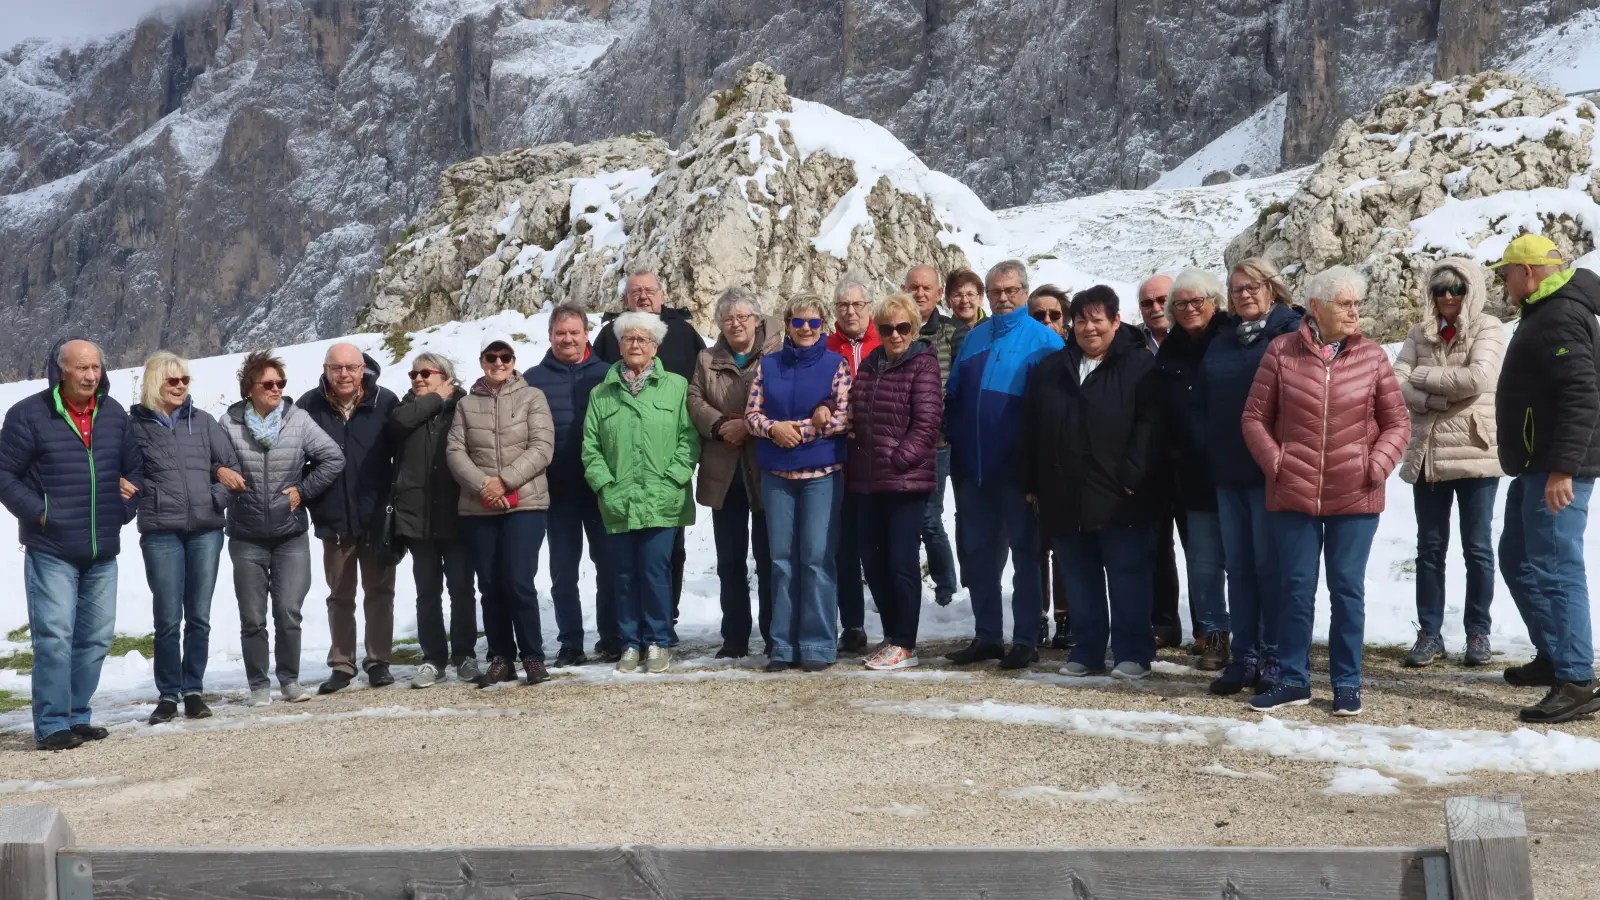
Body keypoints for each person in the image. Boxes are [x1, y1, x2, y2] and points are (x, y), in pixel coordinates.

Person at [1242, 266, 1409, 716]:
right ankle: (1293, 681)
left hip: (1355, 495)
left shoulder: (1373, 357)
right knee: (1295, 590)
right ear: (1316, 307)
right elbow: (1254, 418)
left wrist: (1375, 465)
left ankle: (1347, 683)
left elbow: (1397, 423)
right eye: (1345, 304)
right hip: (1293, 492)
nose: (1355, 312)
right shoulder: (1281, 352)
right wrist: (1277, 463)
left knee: (1347, 590)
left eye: (1357, 304)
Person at [0, 338, 143, 750]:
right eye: (82, 368)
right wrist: (43, 513)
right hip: (52, 549)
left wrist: (123, 508)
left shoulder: (113, 414)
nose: (91, 376)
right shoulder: (29, 414)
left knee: (96, 638)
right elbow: (5, 475)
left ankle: (77, 715)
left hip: (102, 550)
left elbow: (136, 471)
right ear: (61, 371)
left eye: (96, 367)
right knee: (54, 638)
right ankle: (51, 723)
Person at [1023, 287, 1162, 679]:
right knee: (1079, 576)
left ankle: (1133, 652)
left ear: (1116, 321)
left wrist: (1133, 475)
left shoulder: (1139, 364)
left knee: (1127, 574)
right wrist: (1032, 480)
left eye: (1097, 320)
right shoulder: (1052, 368)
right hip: (1065, 492)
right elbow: (1032, 427)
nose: (1089, 328)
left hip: (1121, 494)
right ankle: (1087, 650)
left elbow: (1151, 424)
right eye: (1081, 320)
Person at [1490, 234, 1600, 723]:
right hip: (1537, 466)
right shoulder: (1545, 311)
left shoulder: (1559, 316)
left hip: (1556, 470)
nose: (1504, 281)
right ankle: (1555, 654)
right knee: (1517, 558)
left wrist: (1563, 469)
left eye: (1506, 273)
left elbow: (1582, 395)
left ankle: (1575, 680)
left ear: (1527, 272)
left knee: (1556, 569)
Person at [945, 259, 1064, 669]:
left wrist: (1040, 469)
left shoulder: (1045, 342)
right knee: (979, 555)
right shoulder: (974, 338)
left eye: (1011, 290)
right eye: (996, 291)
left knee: (1026, 555)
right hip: (973, 470)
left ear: (1025, 293)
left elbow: (1055, 412)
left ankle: (1026, 638)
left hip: (1018, 472)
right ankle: (987, 636)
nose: (1003, 298)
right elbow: (954, 394)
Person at [1392, 257, 1505, 669]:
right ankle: (1429, 633)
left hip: (1476, 451)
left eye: (1456, 289)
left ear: (1470, 291)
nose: (1447, 297)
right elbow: (1395, 380)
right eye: (1439, 289)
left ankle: (1478, 632)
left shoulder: (1489, 328)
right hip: (1429, 454)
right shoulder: (1418, 332)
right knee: (1430, 548)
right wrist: (1436, 399)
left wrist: (1421, 380)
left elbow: (1477, 379)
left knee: (1477, 549)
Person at [221, 351, 345, 707]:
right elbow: (212, 462)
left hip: (290, 535)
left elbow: (333, 458)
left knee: (289, 611)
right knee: (252, 617)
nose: (276, 389)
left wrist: (302, 491)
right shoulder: (228, 424)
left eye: (281, 383)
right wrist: (221, 474)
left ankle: (290, 681)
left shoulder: (297, 419)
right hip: (246, 536)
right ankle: (259, 686)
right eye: (268, 384)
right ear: (250, 389)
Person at [1201, 256, 1302, 696]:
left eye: (1252, 286)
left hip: (1271, 471)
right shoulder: (1222, 338)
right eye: (1236, 288)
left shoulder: (1292, 333)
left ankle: (1275, 655)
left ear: (1272, 289)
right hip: (1228, 469)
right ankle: (1243, 655)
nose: (1243, 295)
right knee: (1238, 567)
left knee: (1269, 566)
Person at [582, 312, 700, 674]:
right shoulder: (601, 393)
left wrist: (673, 479)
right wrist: (605, 485)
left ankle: (658, 640)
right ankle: (630, 642)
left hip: (663, 498)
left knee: (655, 571)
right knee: (621, 574)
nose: (636, 345)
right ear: (619, 345)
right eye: (629, 338)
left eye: (643, 339)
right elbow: (590, 447)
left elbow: (689, 439)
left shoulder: (676, 387)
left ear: (655, 347)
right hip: (618, 499)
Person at [130, 352, 240, 723]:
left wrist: (215, 497)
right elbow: (123, 471)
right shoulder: (134, 427)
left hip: (206, 531)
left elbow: (231, 467)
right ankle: (167, 695)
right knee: (166, 618)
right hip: (161, 532)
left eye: (184, 380)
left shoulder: (204, 422)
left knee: (198, 616)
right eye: (172, 380)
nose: (180, 386)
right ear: (154, 383)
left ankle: (193, 690)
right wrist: (144, 494)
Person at [746, 294, 852, 672]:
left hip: (821, 476)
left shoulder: (836, 364)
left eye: (813, 322)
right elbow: (751, 414)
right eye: (798, 322)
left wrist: (800, 431)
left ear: (823, 326)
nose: (806, 328)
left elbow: (844, 416)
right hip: (777, 476)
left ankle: (817, 645)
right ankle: (783, 645)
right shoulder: (768, 366)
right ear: (788, 325)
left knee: (816, 559)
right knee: (781, 561)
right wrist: (774, 429)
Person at [447, 335, 556, 687]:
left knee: (518, 581)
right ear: (482, 361)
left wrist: (505, 481)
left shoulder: (532, 397)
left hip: (526, 503)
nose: (498, 363)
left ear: (513, 361)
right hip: (479, 507)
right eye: (491, 357)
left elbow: (542, 447)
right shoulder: (466, 404)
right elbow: (455, 452)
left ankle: (533, 656)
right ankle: (501, 657)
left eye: (505, 357)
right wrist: (484, 486)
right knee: (490, 584)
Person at [849, 293, 943, 670]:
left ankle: (905, 643)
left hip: (905, 480)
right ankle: (892, 637)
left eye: (903, 327)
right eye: (887, 328)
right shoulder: (871, 363)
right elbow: (857, 410)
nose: (895, 335)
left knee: (901, 560)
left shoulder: (923, 364)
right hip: (869, 480)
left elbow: (928, 423)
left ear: (914, 329)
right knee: (872, 559)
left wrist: (897, 459)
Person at [301, 343, 401, 694]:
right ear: (325, 370)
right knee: (339, 595)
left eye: (350, 367)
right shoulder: (309, 406)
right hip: (334, 518)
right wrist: (313, 500)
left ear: (362, 370)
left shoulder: (385, 402)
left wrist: (393, 504)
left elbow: (401, 456)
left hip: (377, 518)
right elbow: (297, 460)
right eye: (336, 368)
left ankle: (378, 661)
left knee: (380, 592)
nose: (343, 374)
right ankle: (342, 665)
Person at [689, 287, 782, 659]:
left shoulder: (777, 351)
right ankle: (735, 636)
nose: (736, 324)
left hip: (766, 468)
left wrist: (749, 424)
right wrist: (718, 425)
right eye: (728, 319)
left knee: (769, 557)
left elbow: (786, 397)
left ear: (757, 320)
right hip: (724, 472)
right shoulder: (707, 358)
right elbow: (694, 398)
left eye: (743, 317)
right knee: (730, 561)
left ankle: (774, 633)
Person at [524, 304, 612, 666]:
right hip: (556, 489)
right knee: (563, 571)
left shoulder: (608, 374)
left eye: (575, 332)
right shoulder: (532, 379)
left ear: (587, 334)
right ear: (550, 336)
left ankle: (611, 637)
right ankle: (571, 642)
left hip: (600, 487)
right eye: (560, 333)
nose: (568, 339)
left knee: (608, 566)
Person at [1153, 271, 1231, 671]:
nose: (1188, 310)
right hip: (1193, 474)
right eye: (1180, 304)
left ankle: (1252, 639)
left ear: (1215, 302)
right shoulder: (1169, 351)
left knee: (1245, 562)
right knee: (1203, 563)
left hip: (1238, 470)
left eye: (1197, 301)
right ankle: (1214, 637)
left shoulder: (1233, 339)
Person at [387, 352, 478, 688]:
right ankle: (433, 659)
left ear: (446, 376)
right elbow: (396, 427)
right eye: (413, 374)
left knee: (461, 589)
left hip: (457, 512)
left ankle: (465, 655)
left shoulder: (464, 406)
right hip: (417, 515)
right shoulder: (405, 409)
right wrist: (435, 399)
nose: (417, 379)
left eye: (425, 373)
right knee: (427, 592)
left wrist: (445, 400)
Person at [825, 273, 881, 654]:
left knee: (877, 547)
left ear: (869, 308)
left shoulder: (886, 340)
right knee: (844, 548)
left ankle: (893, 623)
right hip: (838, 460)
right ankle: (853, 625)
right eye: (843, 305)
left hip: (878, 462)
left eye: (857, 305)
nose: (850, 312)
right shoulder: (825, 347)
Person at [904, 265, 963, 608]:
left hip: (937, 442)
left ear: (939, 294)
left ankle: (945, 589)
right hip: (899, 441)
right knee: (902, 517)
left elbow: (960, 387)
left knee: (928, 517)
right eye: (914, 287)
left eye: (927, 288)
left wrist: (944, 430)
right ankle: (906, 585)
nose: (920, 293)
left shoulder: (952, 332)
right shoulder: (895, 328)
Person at [1027, 284, 1072, 648]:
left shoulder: (1076, 355)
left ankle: (1067, 615)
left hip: (1070, 465)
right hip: (1035, 461)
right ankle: (1038, 616)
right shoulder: (1023, 356)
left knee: (1066, 545)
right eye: (1038, 315)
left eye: (1053, 315)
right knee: (1036, 546)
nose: (1046, 321)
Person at [1136, 275, 1173, 352]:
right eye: (1147, 303)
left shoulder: (1194, 334)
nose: (1156, 309)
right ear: (1140, 307)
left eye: (1163, 300)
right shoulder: (1128, 338)